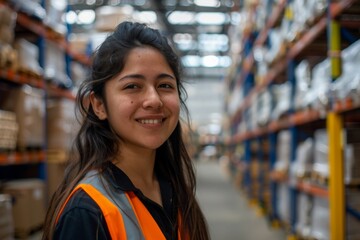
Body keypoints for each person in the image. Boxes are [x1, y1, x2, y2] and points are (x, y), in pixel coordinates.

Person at [42, 21, 210, 240]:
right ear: (99, 105)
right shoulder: (88, 212)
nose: (154, 100)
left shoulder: (174, 191)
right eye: (132, 86)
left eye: (165, 85)